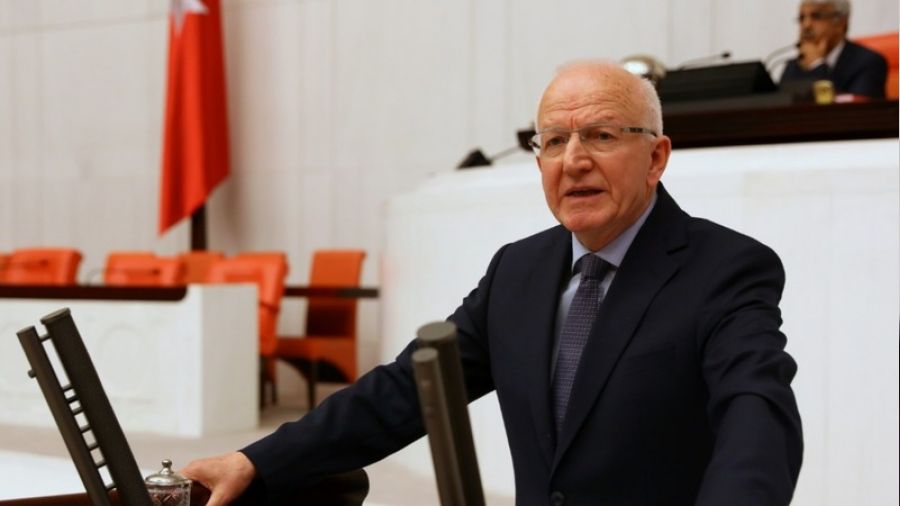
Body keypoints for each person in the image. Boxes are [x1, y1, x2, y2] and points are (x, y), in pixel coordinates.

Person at [183, 61, 803, 505]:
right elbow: (404, 392)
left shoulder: (725, 268)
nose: (574, 160)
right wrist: (254, 461)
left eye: (602, 135)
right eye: (554, 141)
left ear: (657, 157)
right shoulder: (519, 270)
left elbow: (757, 413)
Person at [780, 0, 887, 98]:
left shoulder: (868, 63)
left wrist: (817, 65)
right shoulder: (793, 66)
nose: (806, 25)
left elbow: (852, 109)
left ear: (841, 22)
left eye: (817, 16)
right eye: (801, 18)